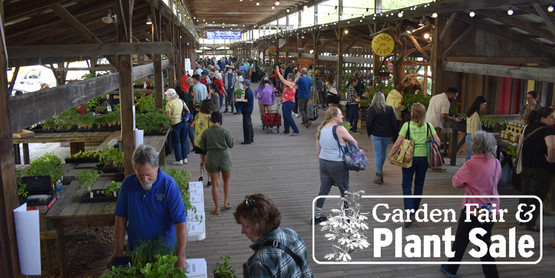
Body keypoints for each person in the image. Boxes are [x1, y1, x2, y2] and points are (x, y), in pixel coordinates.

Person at [108, 144, 188, 270]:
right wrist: (118, 251)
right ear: (135, 170)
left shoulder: (169, 186)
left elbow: (180, 223)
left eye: (149, 174)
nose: (145, 179)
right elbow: (121, 218)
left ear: (157, 167)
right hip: (138, 255)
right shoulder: (127, 185)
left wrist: (181, 256)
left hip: (165, 255)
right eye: (140, 175)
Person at [441, 131, 501, 278]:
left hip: (472, 210)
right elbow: (496, 180)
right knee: (484, 243)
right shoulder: (496, 163)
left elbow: (456, 183)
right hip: (490, 209)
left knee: (461, 239)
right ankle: (492, 275)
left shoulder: (470, 164)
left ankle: (451, 269)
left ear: (476, 146)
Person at [234, 194, 313, 278]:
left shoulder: (260, 262)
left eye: (246, 226)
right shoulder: (292, 235)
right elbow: (307, 272)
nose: (242, 231)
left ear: (262, 224)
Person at [388, 103, 441, 228]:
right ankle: (415, 211)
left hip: (408, 158)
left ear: (413, 113)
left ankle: (409, 213)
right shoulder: (429, 126)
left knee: (406, 185)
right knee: (419, 184)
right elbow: (437, 141)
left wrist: (391, 155)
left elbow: (397, 143)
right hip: (423, 159)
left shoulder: (407, 126)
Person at [314, 107, 358, 224]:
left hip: (323, 162)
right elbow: (355, 142)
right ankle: (348, 216)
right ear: (334, 117)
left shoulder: (321, 129)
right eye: (340, 114)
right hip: (337, 163)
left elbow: (318, 149)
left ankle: (317, 215)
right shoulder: (339, 129)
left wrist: (323, 165)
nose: (342, 116)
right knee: (345, 190)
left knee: (323, 189)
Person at [517, 107, 555, 232]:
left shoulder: (528, 127)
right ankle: (530, 223)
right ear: (543, 118)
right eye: (551, 117)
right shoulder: (548, 131)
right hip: (542, 168)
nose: (553, 119)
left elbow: (520, 143)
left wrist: (517, 159)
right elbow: (552, 147)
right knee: (536, 195)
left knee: (525, 192)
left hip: (527, 164)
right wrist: (551, 160)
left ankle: (522, 217)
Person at [198, 112, 234, 215]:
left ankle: (217, 208)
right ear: (220, 120)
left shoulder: (206, 132)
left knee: (215, 184)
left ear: (210, 120)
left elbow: (202, 146)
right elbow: (231, 144)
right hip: (224, 157)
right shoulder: (225, 131)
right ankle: (226, 202)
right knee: (227, 180)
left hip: (211, 157)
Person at [366, 92, 398, 184]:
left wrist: (370, 132)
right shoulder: (389, 109)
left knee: (377, 153)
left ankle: (379, 174)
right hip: (387, 134)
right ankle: (380, 168)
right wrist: (394, 134)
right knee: (383, 152)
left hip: (376, 134)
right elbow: (394, 123)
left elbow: (368, 123)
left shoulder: (372, 109)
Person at [425, 87, 458, 172]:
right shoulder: (446, 101)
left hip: (427, 122)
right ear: (450, 94)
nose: (454, 98)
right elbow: (444, 115)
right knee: (436, 145)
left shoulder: (435, 97)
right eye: (454, 96)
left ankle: (428, 164)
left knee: (428, 145)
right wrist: (453, 119)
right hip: (436, 124)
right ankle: (436, 166)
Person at [165, 88, 191, 165]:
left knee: (176, 142)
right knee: (183, 140)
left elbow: (168, 117)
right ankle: (185, 158)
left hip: (175, 124)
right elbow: (188, 111)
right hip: (184, 123)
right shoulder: (181, 101)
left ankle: (179, 159)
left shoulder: (169, 103)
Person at [193, 100, 214, 186]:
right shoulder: (210, 117)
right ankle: (209, 180)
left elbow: (193, 125)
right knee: (208, 161)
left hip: (198, 141)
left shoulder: (198, 115)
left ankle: (201, 175)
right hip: (207, 142)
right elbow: (212, 129)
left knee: (202, 160)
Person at [275, 66, 300, 136]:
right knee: (285, 116)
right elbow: (295, 80)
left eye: (288, 78)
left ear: (290, 79)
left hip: (289, 102)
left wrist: (277, 71)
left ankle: (296, 130)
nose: (286, 78)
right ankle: (286, 130)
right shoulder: (292, 83)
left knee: (288, 116)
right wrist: (298, 76)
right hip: (285, 101)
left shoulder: (291, 84)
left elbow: (282, 80)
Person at [465, 96, 487, 161]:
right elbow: (475, 130)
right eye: (483, 104)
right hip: (473, 137)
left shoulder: (471, 113)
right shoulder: (475, 115)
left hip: (469, 136)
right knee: (472, 157)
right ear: (479, 104)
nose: (483, 107)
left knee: (469, 156)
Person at [237, 80, 255, 144]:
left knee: (246, 125)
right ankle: (251, 137)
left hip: (246, 110)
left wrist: (239, 103)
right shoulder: (249, 91)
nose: (242, 85)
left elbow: (247, 103)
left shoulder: (247, 92)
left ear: (245, 85)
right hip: (249, 109)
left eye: (243, 84)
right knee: (249, 124)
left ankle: (247, 140)